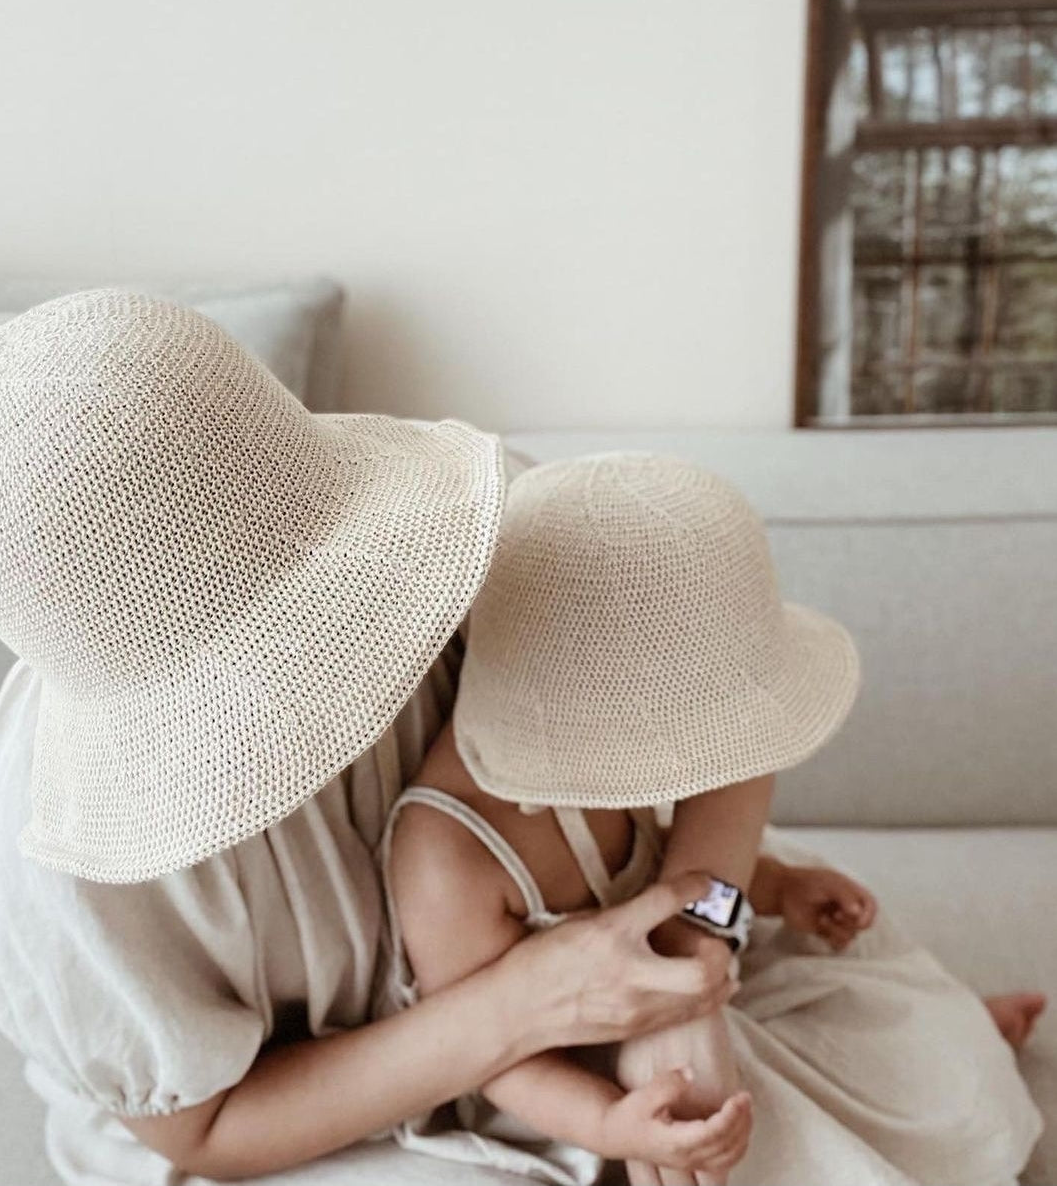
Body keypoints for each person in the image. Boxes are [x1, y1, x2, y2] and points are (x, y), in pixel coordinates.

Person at [0, 292, 1042, 1186]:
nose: (328, 685)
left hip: (618, 957)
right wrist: (521, 1007)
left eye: (320, 612)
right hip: (306, 1109)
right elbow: (204, 1131)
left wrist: (701, 923)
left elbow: (728, 730)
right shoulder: (58, 873)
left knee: (892, 1071)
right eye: (265, 660)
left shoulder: (494, 537)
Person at [383, 455, 1045, 1186]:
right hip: (574, 1077)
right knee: (763, 1112)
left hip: (701, 984)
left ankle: (964, 1037)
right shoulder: (451, 851)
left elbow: (679, 879)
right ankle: (950, 1070)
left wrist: (775, 884)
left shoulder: (626, 756)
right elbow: (493, 1053)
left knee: (884, 1023)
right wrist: (607, 1121)